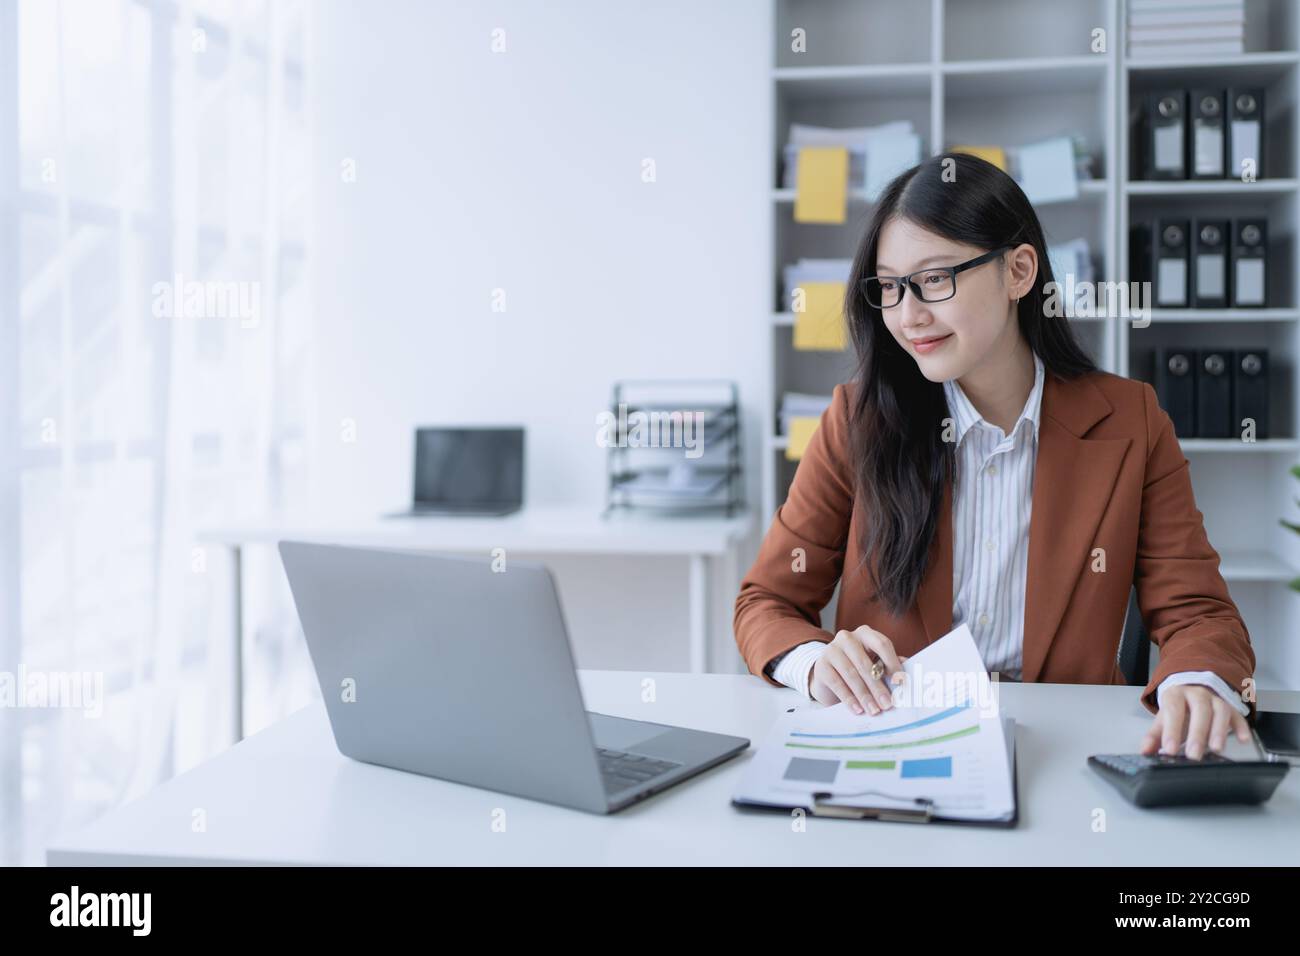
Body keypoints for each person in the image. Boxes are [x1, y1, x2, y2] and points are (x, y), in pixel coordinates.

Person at [735, 152, 1255, 760]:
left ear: (1019, 272)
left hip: (1064, 749)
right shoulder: (858, 420)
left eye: (934, 279)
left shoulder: (1130, 421)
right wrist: (814, 660)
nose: (908, 315)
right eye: (890, 287)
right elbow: (767, 602)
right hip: (898, 743)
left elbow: (1198, 613)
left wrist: (1194, 681)